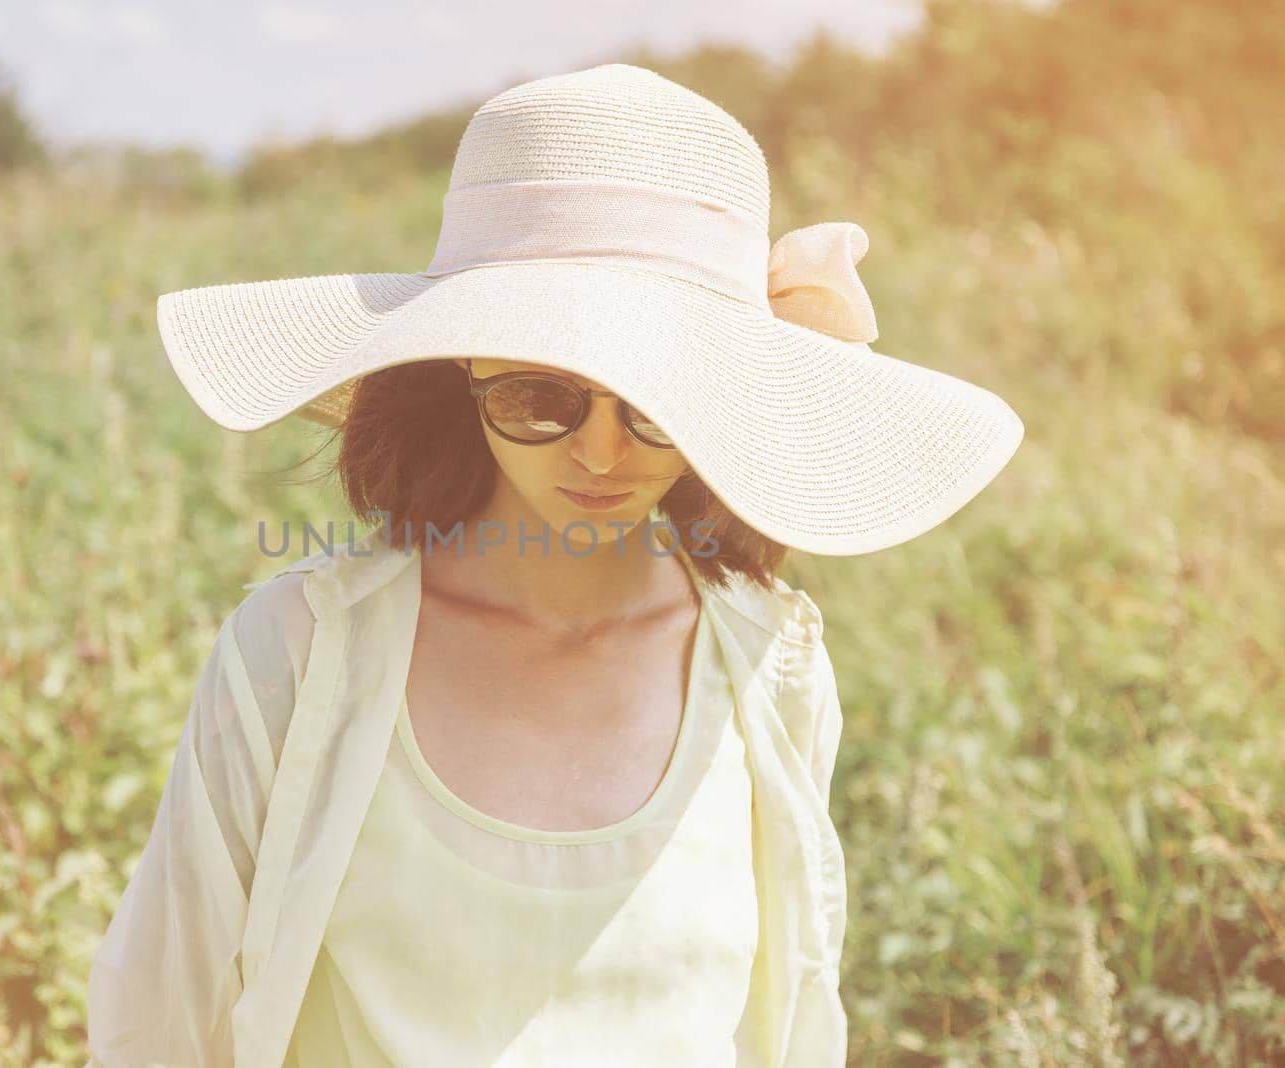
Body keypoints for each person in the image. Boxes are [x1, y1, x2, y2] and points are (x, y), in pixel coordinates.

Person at [87, 64, 1024, 1068]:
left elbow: (793, 1018)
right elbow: (159, 1021)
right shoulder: (295, 657)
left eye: (657, 407)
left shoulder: (774, 669)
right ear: (462, 371)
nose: (600, 456)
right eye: (542, 398)